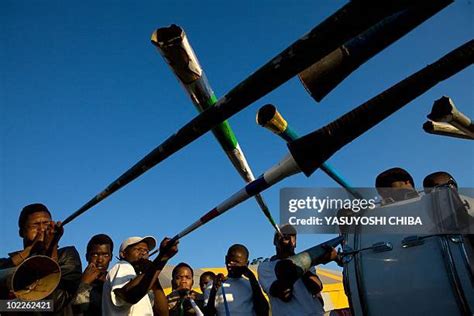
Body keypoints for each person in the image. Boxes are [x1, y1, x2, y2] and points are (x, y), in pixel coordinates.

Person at [0, 203, 82, 315]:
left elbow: (54, 303)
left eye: (46, 224)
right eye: (35, 225)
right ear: (21, 232)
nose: (42, 230)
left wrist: (51, 249)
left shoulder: (67, 255)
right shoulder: (6, 263)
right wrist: (30, 249)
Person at [257, 224, 336, 316]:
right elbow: (285, 295)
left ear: (295, 243)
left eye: (292, 237)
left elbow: (317, 287)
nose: (288, 240)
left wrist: (299, 263)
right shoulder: (265, 267)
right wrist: (289, 266)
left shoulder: (304, 261)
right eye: (283, 236)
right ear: (275, 241)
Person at [102, 235, 178, 316]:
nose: (143, 253)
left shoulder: (141, 280)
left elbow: (163, 313)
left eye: (146, 251)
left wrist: (154, 276)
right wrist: (161, 258)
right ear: (123, 254)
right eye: (138, 249)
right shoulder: (122, 266)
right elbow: (130, 295)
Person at [204, 244, 269, 316]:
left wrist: (252, 279)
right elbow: (208, 313)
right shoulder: (213, 285)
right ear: (225, 259)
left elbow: (264, 311)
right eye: (229, 261)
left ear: (246, 264)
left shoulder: (251, 284)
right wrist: (214, 290)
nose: (230, 265)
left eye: (236, 262)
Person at [72, 234, 114, 315]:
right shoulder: (74, 280)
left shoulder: (114, 281)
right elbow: (77, 310)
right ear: (87, 257)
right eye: (95, 254)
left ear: (111, 257)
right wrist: (84, 284)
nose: (100, 260)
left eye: (105, 255)